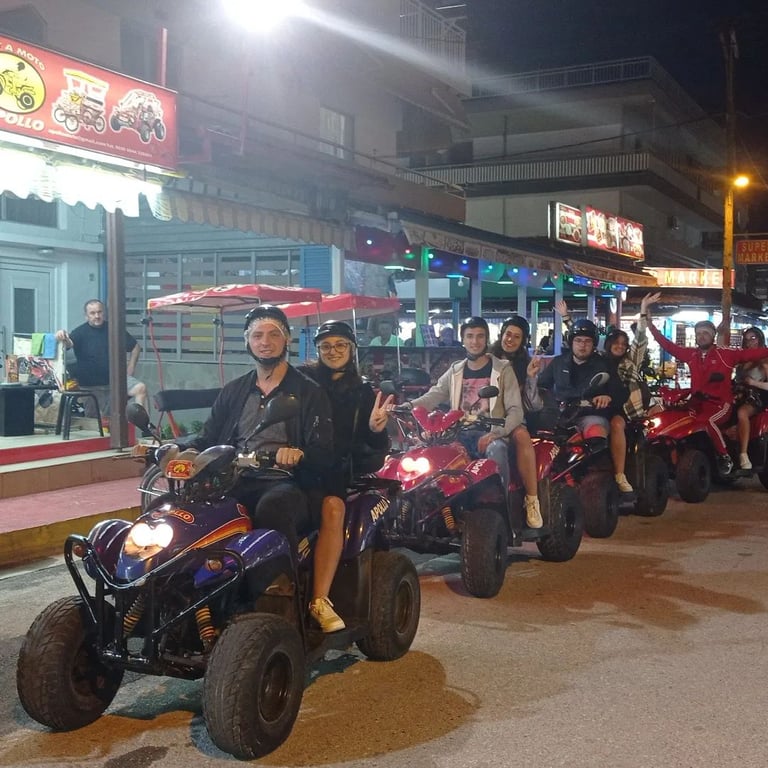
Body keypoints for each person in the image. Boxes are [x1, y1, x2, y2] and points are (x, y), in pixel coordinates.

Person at [189, 305, 338, 631]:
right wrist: (180, 451)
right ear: (247, 341)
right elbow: (207, 438)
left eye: (273, 334)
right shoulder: (235, 390)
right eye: (257, 335)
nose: (265, 342)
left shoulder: (310, 392)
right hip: (233, 480)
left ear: (287, 340)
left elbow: (325, 452)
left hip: (288, 483)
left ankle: (278, 601)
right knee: (178, 511)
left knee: (272, 507)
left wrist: (298, 454)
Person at [299, 320, 394, 631]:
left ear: (352, 349)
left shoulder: (362, 391)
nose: (333, 351)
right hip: (293, 461)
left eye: (340, 345)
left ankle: (319, 600)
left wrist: (377, 429)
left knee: (333, 508)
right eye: (326, 346)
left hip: (334, 468)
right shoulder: (301, 380)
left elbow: (374, 445)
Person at [408, 316, 527, 522]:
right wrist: (407, 407)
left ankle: (502, 513)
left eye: (480, 336)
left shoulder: (502, 369)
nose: (475, 341)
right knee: (423, 453)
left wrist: (496, 433)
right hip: (457, 433)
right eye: (470, 336)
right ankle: (430, 512)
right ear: (462, 340)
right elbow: (434, 395)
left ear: (487, 339)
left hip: (489, 432)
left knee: (497, 450)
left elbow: (516, 410)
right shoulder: (456, 370)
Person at [645, 296, 768, 474]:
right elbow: (667, 345)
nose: (701, 336)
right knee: (671, 417)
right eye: (699, 333)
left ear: (712, 336)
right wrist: (650, 325)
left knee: (707, 422)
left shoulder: (726, 355)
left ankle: (724, 457)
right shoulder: (691, 354)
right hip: (696, 404)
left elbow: (752, 354)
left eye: (705, 333)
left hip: (720, 404)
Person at [533, 315, 630, 489]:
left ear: (593, 344)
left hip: (590, 414)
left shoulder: (604, 364)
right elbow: (542, 386)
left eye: (587, 341)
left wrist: (608, 397)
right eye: (578, 340)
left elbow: (620, 392)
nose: (582, 345)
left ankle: (603, 480)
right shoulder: (558, 362)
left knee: (596, 434)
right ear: (571, 342)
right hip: (560, 415)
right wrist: (535, 384)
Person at [597, 293, 661, 493]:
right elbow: (582, 343)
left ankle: (622, 474)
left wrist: (643, 309)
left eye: (624, 344)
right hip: (604, 406)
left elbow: (640, 338)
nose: (620, 346)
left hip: (628, 408)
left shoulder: (630, 360)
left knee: (618, 425)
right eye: (616, 343)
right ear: (608, 344)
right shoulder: (599, 360)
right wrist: (566, 318)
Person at [489, 315, 544, 527]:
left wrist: (531, 378)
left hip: (513, 419)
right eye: (508, 334)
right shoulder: (487, 360)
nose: (510, 340)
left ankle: (532, 500)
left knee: (521, 435)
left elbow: (533, 405)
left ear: (523, 341)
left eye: (516, 337)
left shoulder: (525, 365)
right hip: (484, 418)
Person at [55, 299, 148, 415]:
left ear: (104, 313)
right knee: (94, 422)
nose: (97, 316)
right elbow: (68, 343)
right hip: (90, 387)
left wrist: (131, 366)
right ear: (86, 316)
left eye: (99, 312)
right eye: (92, 313)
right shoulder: (79, 332)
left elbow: (136, 347)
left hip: (116, 382)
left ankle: (143, 424)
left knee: (140, 388)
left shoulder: (114, 329)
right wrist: (62, 336)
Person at [733, 327, 768, 470]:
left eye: (753, 338)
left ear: (760, 339)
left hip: (757, 395)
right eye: (747, 340)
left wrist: (753, 383)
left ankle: (743, 454)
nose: (750, 342)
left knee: (742, 412)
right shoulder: (743, 359)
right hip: (739, 393)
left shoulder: (764, 359)